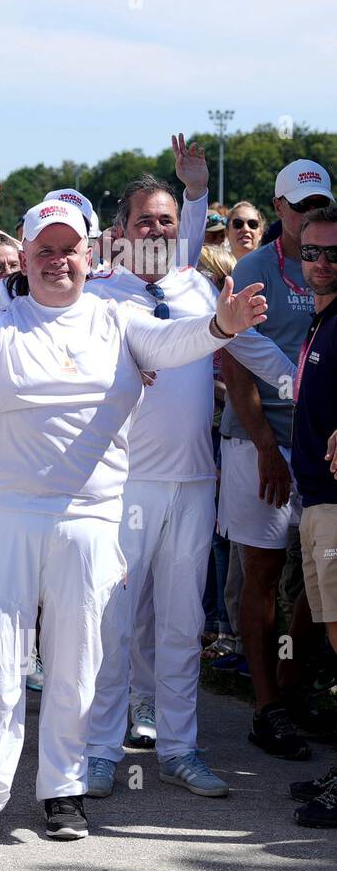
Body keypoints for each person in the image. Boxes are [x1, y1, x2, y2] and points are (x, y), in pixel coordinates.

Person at [0, 198, 268, 849]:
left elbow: (174, 342)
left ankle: (62, 790)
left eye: (67, 248)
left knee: (76, 661)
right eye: (43, 250)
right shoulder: (5, 317)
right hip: (7, 517)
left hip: (91, 520)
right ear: (27, 254)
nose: (56, 261)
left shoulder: (117, 319)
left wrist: (219, 324)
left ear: (89, 253)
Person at [83, 175, 295, 802]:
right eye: (144, 220)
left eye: (167, 220)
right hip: (124, 485)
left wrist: (299, 387)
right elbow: (176, 343)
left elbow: (248, 345)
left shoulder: (199, 285)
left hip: (194, 480)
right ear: (120, 231)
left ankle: (179, 748)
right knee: (113, 623)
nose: (157, 230)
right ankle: (98, 751)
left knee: (181, 624)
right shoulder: (100, 297)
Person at [218, 159, 332, 758]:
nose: (311, 216)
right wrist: (265, 444)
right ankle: (266, 707)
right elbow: (233, 361)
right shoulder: (255, 267)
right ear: (279, 207)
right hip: (256, 440)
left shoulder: (331, 262)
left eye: (320, 205)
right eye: (300, 205)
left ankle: (290, 685)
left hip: (319, 443)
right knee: (261, 573)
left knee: (317, 580)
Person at [287, 204, 337, 827]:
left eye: (334, 254)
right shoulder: (319, 322)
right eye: (314, 252)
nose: (323, 263)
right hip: (318, 501)